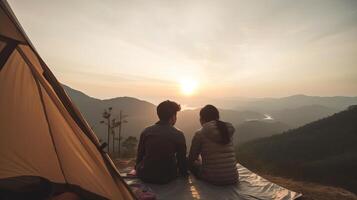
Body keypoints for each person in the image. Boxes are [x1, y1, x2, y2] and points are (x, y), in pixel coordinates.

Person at [135, 100, 188, 184]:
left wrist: (138, 169)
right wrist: (185, 175)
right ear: (173, 117)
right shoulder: (178, 134)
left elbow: (139, 156)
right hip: (168, 176)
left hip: (145, 175)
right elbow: (182, 161)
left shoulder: (146, 131)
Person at [188, 105, 238, 185]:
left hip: (212, 178)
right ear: (217, 117)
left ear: (202, 119)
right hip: (233, 177)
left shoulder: (200, 133)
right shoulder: (227, 131)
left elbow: (191, 158)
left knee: (194, 163)